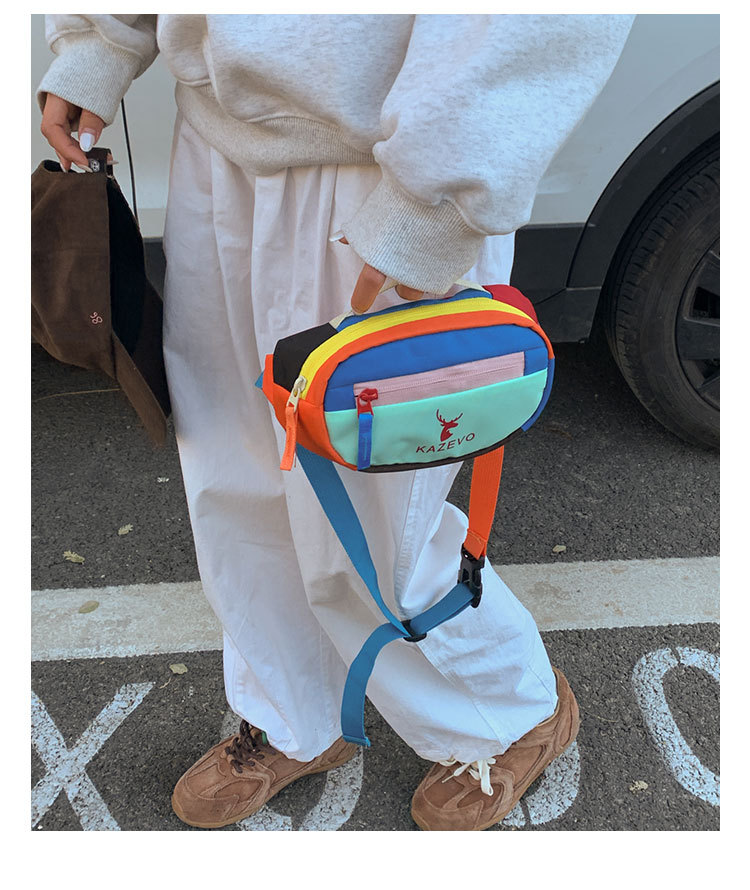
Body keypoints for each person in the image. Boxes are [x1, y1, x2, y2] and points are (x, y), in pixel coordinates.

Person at [37, 13, 634, 831]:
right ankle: (294, 714)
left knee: (379, 516)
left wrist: (438, 197)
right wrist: (101, 42)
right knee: (234, 472)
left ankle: (510, 710)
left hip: (383, 171)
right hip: (217, 141)